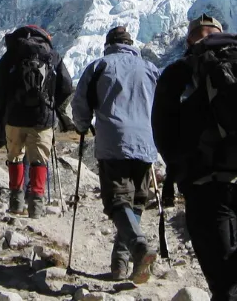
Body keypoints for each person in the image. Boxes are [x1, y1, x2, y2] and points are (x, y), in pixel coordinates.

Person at [152, 14, 237, 301]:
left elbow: (163, 130)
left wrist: (181, 170)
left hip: (208, 183)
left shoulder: (181, 70)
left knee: (224, 279)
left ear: (189, 39)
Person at [71, 25, 160, 283]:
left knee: (117, 200)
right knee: (137, 201)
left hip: (114, 142)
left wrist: (82, 125)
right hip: (145, 142)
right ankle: (121, 265)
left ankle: (138, 247)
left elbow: (81, 103)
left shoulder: (100, 66)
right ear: (131, 44)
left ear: (108, 45)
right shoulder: (151, 69)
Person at [0, 24, 73, 218]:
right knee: (39, 161)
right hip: (42, 118)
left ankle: (16, 203)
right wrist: (53, 105)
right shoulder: (52, 55)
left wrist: (5, 106)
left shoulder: (12, 54)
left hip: (14, 117)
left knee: (15, 158)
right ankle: (36, 207)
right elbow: (67, 86)